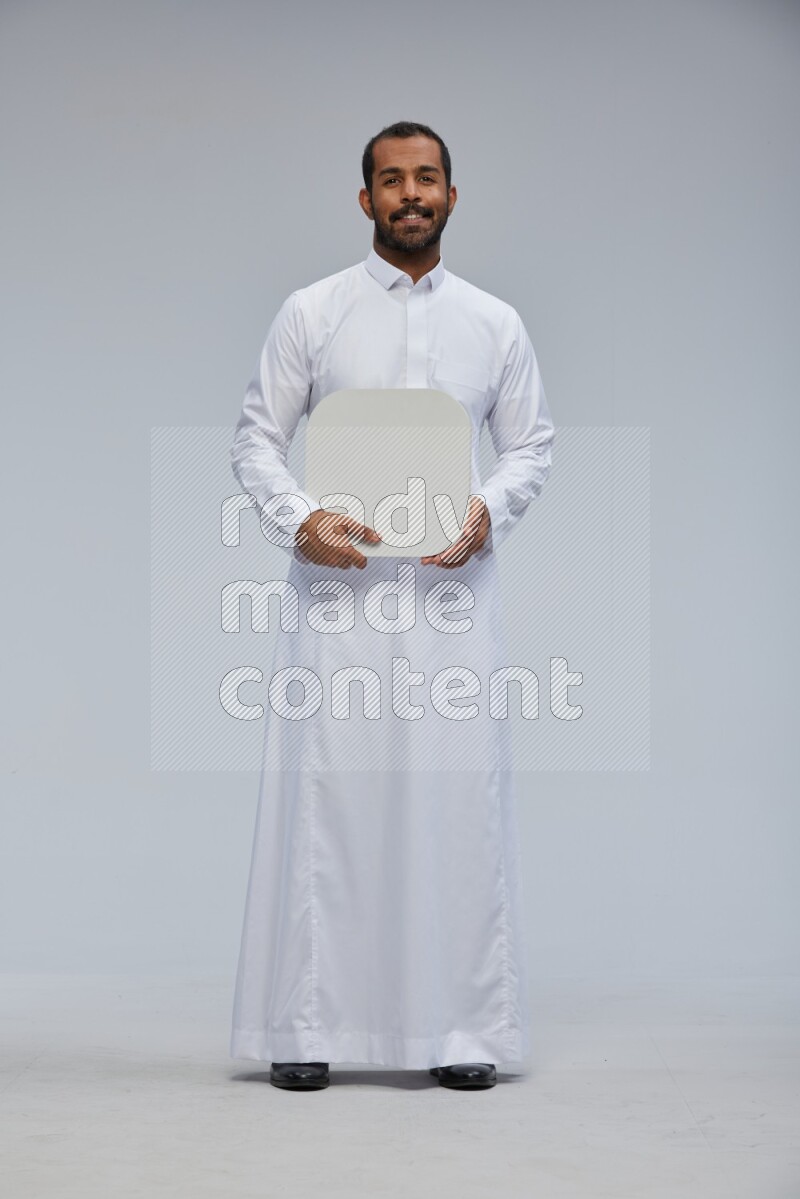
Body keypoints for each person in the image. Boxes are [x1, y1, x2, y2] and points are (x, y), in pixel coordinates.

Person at [229, 120, 555, 1091]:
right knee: (330, 794)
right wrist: (296, 520)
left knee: (456, 799)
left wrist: (487, 510)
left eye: (425, 178)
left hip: (451, 598)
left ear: (452, 195)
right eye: (389, 179)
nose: (408, 193)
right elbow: (255, 435)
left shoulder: (493, 323)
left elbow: (531, 444)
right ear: (363, 199)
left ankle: (460, 1030)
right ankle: (305, 1023)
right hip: (338, 598)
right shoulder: (312, 312)